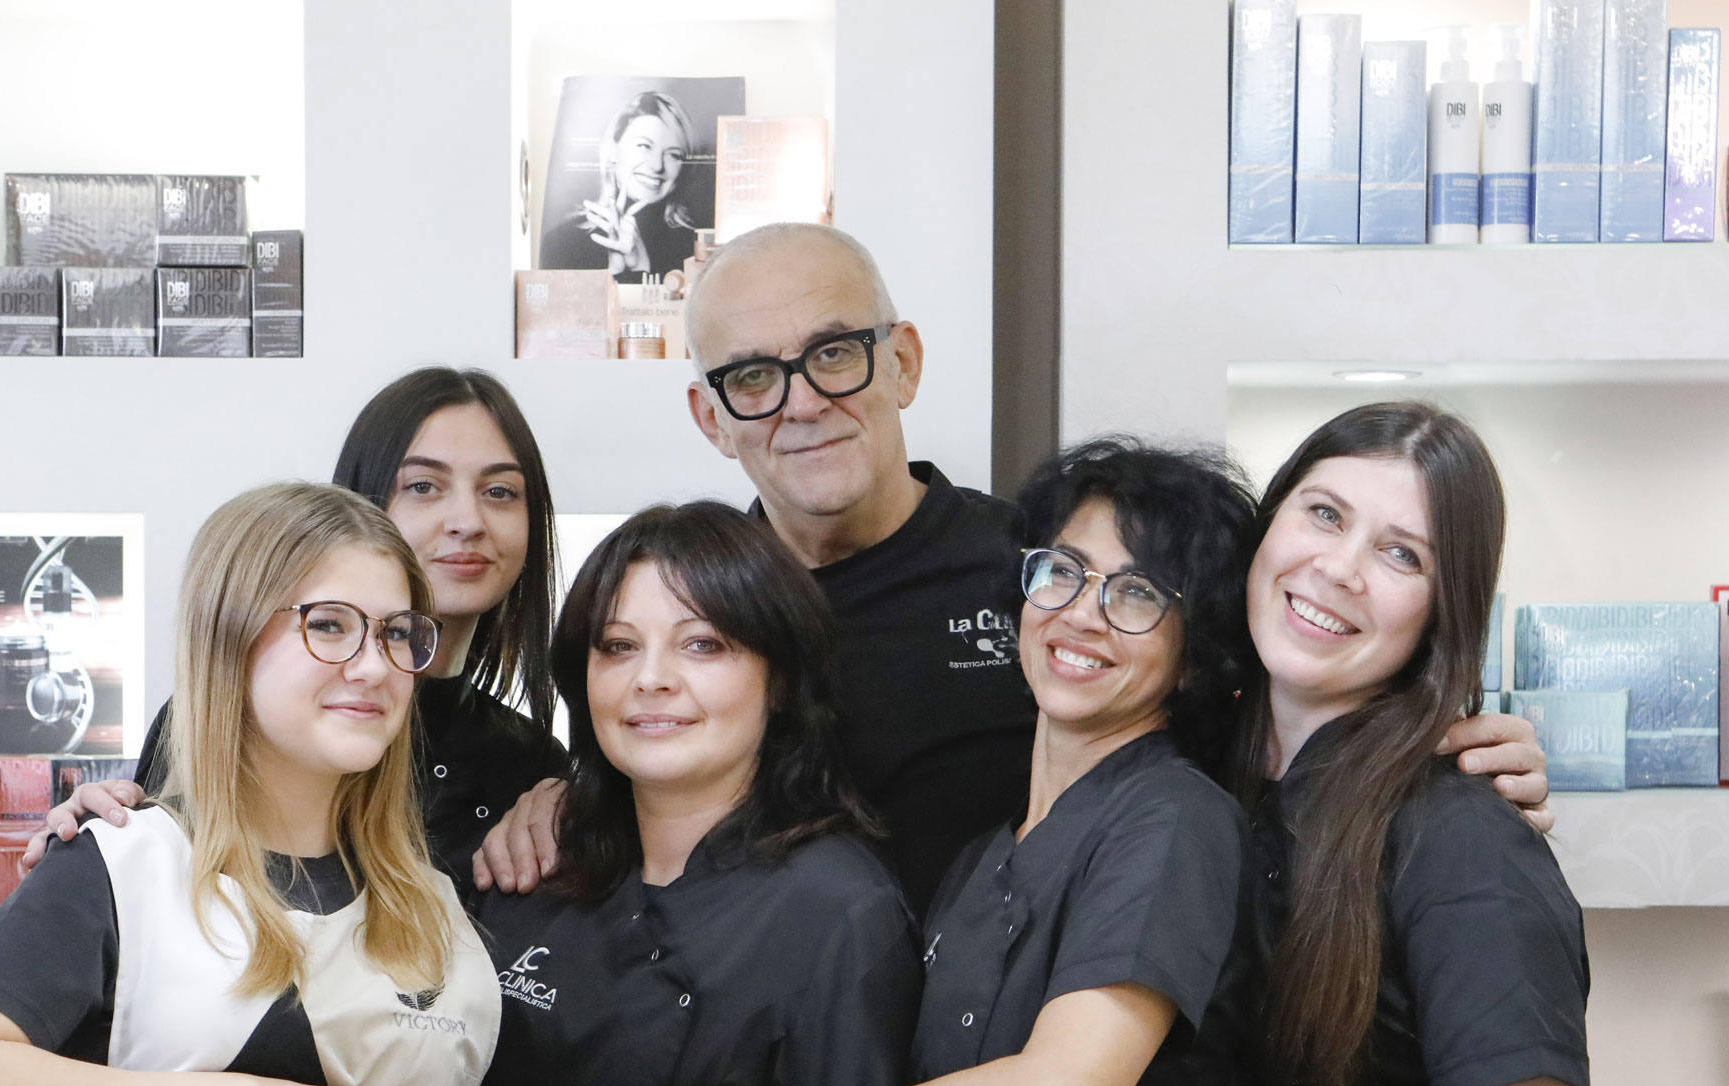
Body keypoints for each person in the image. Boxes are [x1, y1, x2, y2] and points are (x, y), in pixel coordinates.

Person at [476, 222, 1555, 919]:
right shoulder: (688, 609)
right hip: (762, 1050)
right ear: (709, 416)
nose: (801, 401)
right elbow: (642, 799)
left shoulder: (1045, 576)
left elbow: (1253, 722)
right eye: (753, 376)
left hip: (1045, 1049)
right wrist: (568, 795)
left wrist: (1424, 746)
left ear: (903, 361)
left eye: (835, 353)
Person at [0, 483, 500, 1086]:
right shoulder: (124, 863)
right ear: (228, 638)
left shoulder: (433, 903)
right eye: (330, 625)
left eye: (396, 633)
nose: (374, 666)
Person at [735, 441, 1255, 1086]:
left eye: (1136, 592)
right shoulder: (989, 852)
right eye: (1063, 571)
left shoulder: (1173, 820)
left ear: (1195, 656)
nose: (1081, 614)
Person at [456, 501, 921, 1086]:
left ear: (781, 679)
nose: (651, 679)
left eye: (701, 644)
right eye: (618, 647)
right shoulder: (530, 866)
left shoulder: (840, 911)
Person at [1220, 403, 1592, 1086]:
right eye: (1325, 514)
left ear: (1442, 612)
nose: (1338, 569)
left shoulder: (1463, 841)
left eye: (1401, 555)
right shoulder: (1196, 771)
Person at [31, 368, 568, 885]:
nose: (468, 522)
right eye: (424, 486)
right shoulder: (242, 714)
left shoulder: (534, 765)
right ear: (360, 505)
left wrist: (584, 803)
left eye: (500, 491)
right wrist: (99, 846)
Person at [540, 91, 699, 282]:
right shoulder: (561, 242)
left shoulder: (695, 251)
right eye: (644, 146)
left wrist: (641, 268)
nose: (657, 165)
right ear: (613, 150)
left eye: (673, 155)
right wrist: (615, 272)